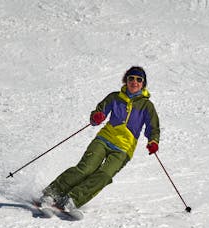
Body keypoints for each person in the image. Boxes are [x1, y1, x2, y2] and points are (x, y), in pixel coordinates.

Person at [39, 66, 160, 216]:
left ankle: (72, 200)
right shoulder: (114, 97)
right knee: (86, 169)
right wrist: (97, 116)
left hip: (124, 148)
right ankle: (51, 193)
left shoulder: (147, 106)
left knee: (104, 174)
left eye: (138, 79)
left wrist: (153, 141)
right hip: (104, 139)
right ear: (126, 81)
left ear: (143, 83)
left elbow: (153, 127)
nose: (134, 82)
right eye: (131, 78)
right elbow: (99, 112)